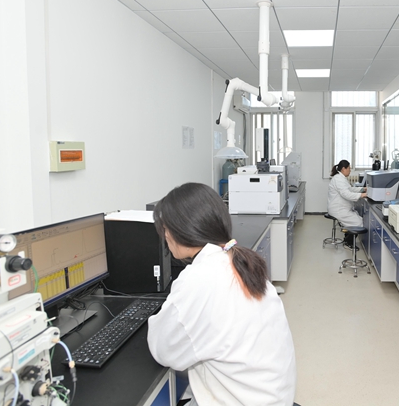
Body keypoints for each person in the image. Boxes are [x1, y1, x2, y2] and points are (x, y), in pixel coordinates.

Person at [147, 183, 297, 406]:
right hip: (273, 396)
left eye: (165, 229)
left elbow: (163, 349)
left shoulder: (199, 279)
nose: (165, 236)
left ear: (181, 231)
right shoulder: (239, 261)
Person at [327, 160, 367, 247]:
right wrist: (362, 195)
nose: (350, 170)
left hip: (341, 208)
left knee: (357, 219)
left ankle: (347, 238)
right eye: (349, 168)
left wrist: (363, 189)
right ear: (343, 169)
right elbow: (346, 194)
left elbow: (350, 189)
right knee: (359, 223)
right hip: (338, 210)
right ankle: (348, 242)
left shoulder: (341, 178)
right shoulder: (338, 179)